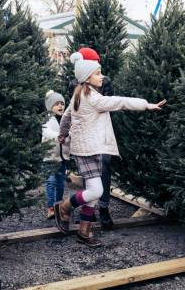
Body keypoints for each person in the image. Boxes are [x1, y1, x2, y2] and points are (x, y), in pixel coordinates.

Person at [54, 52, 166, 247]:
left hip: (91, 148)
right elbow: (119, 102)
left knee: (92, 191)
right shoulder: (93, 98)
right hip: (87, 150)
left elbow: (66, 117)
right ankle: (64, 207)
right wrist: (146, 105)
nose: (102, 77)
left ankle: (84, 231)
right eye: (98, 73)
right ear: (87, 78)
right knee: (96, 190)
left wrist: (63, 134)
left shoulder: (79, 94)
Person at [67, 47, 115, 229]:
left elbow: (111, 105)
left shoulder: (105, 82)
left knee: (104, 167)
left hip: (102, 133)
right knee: (90, 173)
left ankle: (103, 208)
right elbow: (72, 111)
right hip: (85, 135)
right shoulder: (74, 84)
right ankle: (88, 212)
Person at [42, 90, 69, 219]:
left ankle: (59, 205)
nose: (60, 106)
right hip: (50, 158)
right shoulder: (47, 120)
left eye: (62, 103)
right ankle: (51, 207)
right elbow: (47, 132)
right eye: (57, 104)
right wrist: (58, 136)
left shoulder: (65, 119)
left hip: (62, 158)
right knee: (51, 182)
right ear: (50, 107)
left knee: (61, 183)